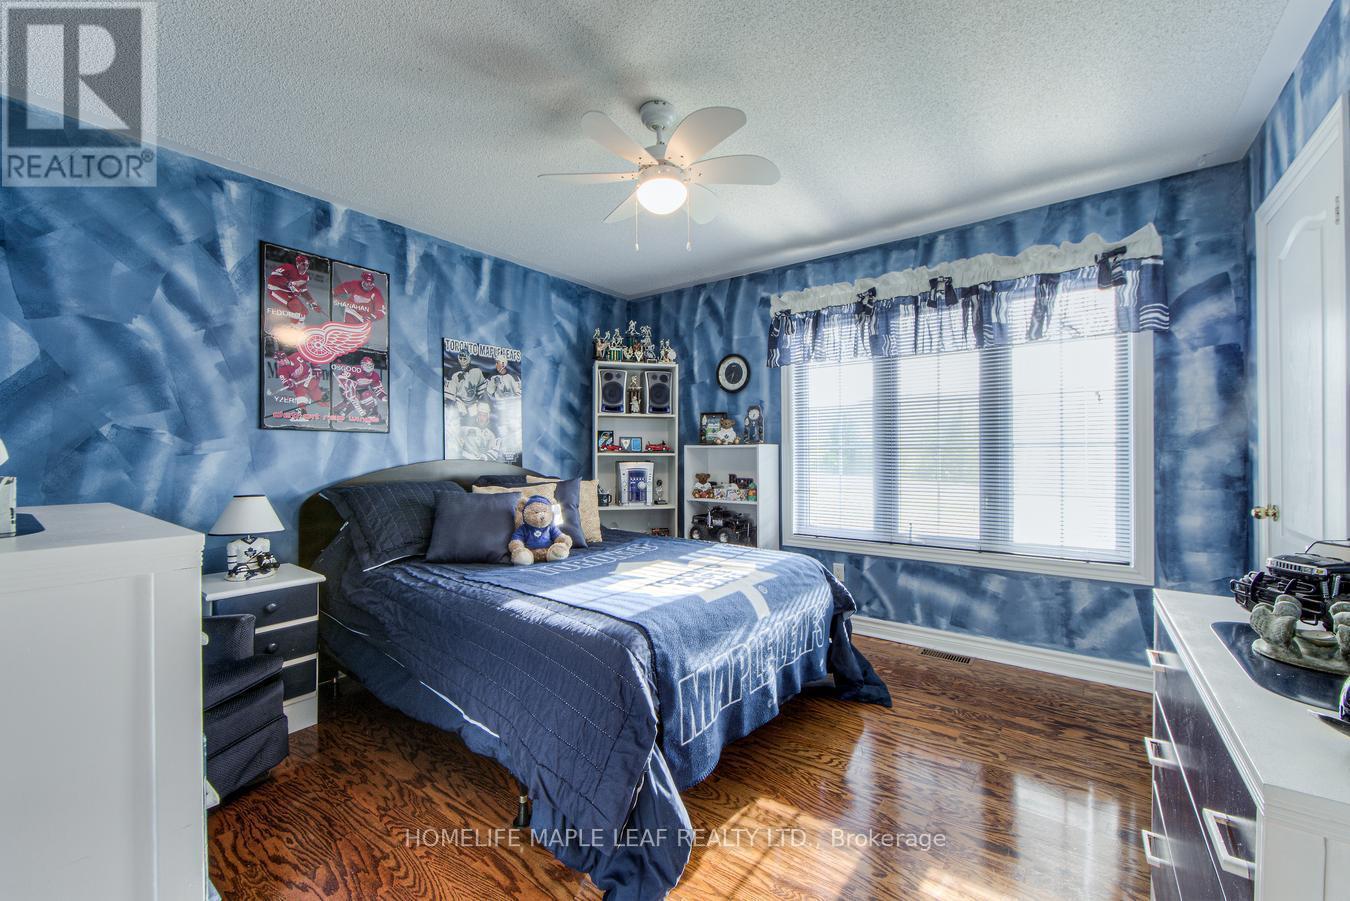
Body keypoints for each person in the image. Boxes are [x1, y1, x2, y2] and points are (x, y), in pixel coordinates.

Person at [266, 253, 322, 320]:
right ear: (298, 264)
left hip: (288, 293)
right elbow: (274, 276)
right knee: (295, 305)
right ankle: (291, 326)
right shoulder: (288, 267)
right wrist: (288, 283)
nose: (305, 267)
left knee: (304, 312)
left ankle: (296, 327)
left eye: (307, 265)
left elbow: (304, 292)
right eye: (303, 264)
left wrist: (313, 304)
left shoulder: (305, 277)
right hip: (276, 289)